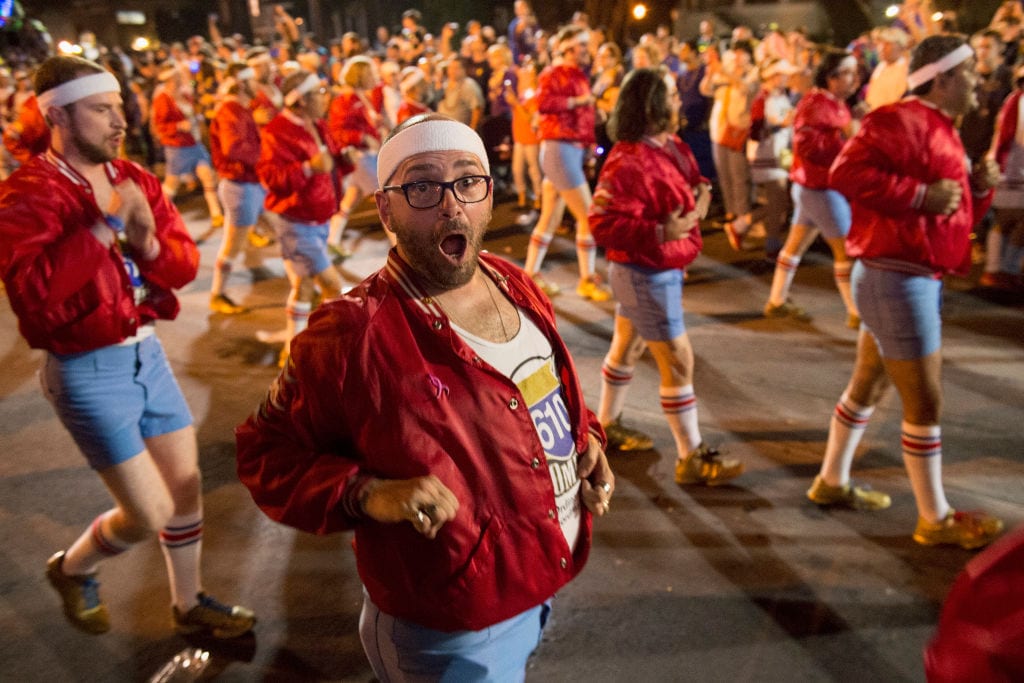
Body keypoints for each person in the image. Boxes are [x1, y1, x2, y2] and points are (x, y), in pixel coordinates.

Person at [236, 113, 614, 680]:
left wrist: (588, 438)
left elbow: (546, 395)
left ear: (488, 196)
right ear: (385, 208)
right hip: (449, 626)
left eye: (468, 180)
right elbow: (264, 454)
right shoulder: (349, 334)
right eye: (421, 185)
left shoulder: (516, 283)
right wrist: (364, 494)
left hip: (539, 573)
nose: (451, 203)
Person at [0, 55, 254, 637]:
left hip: (147, 353)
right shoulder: (27, 192)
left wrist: (146, 243)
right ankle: (73, 567)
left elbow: (184, 265)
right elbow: (36, 299)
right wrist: (106, 228)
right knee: (149, 513)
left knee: (186, 486)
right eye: (101, 109)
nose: (120, 121)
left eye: (119, 107)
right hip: (86, 371)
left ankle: (187, 603)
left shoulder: (133, 177)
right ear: (58, 114)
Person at [809, 35, 1004, 549]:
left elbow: (950, 217)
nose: (978, 87)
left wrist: (978, 189)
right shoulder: (897, 119)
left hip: (901, 276)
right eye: (970, 77)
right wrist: (921, 194)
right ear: (943, 78)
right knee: (926, 402)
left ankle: (831, 481)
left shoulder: (939, 127)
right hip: (898, 280)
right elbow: (845, 171)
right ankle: (934, 518)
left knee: (868, 385)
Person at [589, 68, 742, 484]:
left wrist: (705, 192)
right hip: (644, 272)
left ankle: (606, 425)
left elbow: (697, 179)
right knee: (678, 359)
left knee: (626, 346)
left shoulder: (671, 146)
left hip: (658, 268)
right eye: (672, 95)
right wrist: (660, 232)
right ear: (653, 106)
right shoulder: (626, 161)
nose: (680, 101)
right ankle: (691, 456)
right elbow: (601, 224)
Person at [762, 49, 862, 328]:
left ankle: (777, 301)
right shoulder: (817, 103)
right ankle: (857, 312)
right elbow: (806, 146)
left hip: (813, 187)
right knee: (845, 252)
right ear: (831, 78)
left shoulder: (833, 103)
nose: (855, 79)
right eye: (848, 73)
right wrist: (844, 139)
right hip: (820, 188)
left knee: (794, 247)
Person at [256, 69, 346, 367]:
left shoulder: (318, 124)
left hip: (318, 217)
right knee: (333, 285)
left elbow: (330, 163)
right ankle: (336, 345)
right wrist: (307, 168)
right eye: (319, 93)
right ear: (302, 100)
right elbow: (270, 177)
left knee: (305, 285)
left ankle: (292, 348)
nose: (325, 97)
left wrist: (345, 158)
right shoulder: (276, 131)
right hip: (296, 222)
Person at [524, 25, 610, 301]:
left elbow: (577, 114)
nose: (587, 51)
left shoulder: (577, 75)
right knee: (589, 216)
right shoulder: (553, 73)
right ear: (568, 49)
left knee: (550, 218)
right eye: (582, 46)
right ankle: (587, 280)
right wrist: (580, 101)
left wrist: (593, 118)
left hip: (566, 150)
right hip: (559, 150)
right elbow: (544, 103)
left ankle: (530, 276)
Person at [207, 62, 267, 314]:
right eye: (252, 81)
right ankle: (217, 294)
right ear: (242, 83)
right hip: (240, 187)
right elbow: (233, 148)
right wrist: (265, 156)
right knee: (232, 243)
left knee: (287, 231)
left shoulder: (240, 108)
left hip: (250, 184)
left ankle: (309, 280)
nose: (257, 86)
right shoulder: (229, 109)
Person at [150, 62, 225, 228]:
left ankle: (216, 213)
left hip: (194, 143)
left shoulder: (184, 94)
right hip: (177, 147)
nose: (179, 78)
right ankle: (155, 214)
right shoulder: (163, 98)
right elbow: (159, 126)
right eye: (176, 76)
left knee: (207, 175)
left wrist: (196, 118)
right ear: (169, 78)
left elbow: (193, 111)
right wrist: (178, 126)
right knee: (172, 183)